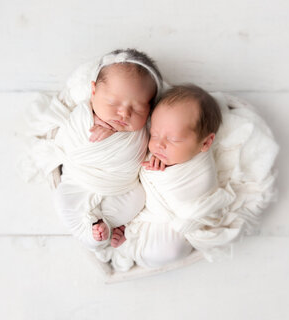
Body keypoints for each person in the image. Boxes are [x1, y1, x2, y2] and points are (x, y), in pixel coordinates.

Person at [23, 49, 163, 252]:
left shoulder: (146, 127)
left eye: (138, 108)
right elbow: (67, 143)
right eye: (113, 103)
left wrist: (156, 159)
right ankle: (91, 234)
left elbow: (151, 149)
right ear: (94, 91)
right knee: (63, 200)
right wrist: (94, 131)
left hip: (122, 186)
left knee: (139, 198)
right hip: (79, 180)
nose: (124, 113)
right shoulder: (82, 115)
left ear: (150, 110)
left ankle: (104, 225)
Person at [104, 84, 239, 270]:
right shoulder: (160, 152)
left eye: (173, 139)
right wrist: (151, 169)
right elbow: (138, 175)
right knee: (115, 190)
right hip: (149, 211)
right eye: (155, 134)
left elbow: (187, 207)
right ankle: (127, 229)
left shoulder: (201, 173)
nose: (159, 145)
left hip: (171, 220)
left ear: (205, 142)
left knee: (172, 250)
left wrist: (160, 172)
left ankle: (129, 241)